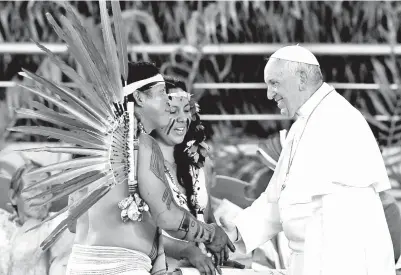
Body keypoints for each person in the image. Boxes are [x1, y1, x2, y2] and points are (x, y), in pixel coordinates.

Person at [11, 3, 234, 274]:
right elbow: (168, 217)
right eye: (162, 94)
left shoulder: (90, 144)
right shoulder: (142, 144)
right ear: (139, 98)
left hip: (80, 264)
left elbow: (72, 222)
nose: (168, 102)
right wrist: (211, 233)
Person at [220, 45, 395, 275]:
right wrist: (239, 229)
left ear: (301, 79)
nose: (269, 94)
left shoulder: (338, 119)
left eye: (274, 83)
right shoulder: (303, 124)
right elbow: (278, 199)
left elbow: (342, 226)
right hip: (308, 261)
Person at [151, 77, 244, 274]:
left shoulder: (197, 165)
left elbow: (207, 218)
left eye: (186, 110)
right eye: (171, 110)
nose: (181, 119)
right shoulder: (144, 164)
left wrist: (216, 259)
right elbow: (143, 229)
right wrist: (189, 252)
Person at [0, 161, 74, 275]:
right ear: (13, 196)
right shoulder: (3, 224)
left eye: (47, 189)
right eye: (33, 187)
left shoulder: (58, 226)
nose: (41, 194)